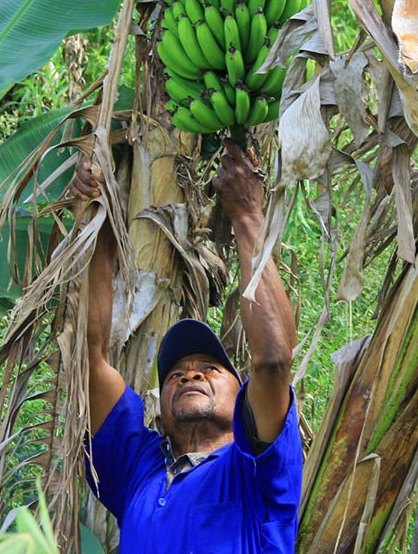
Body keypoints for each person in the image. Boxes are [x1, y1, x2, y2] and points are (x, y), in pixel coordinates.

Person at [75, 140, 300, 553]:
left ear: (245, 401)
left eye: (211, 370)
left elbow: (272, 361)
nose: (191, 374)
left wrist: (248, 214)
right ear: (159, 416)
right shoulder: (138, 470)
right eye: (176, 374)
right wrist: (97, 221)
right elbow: (89, 361)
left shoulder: (254, 469)